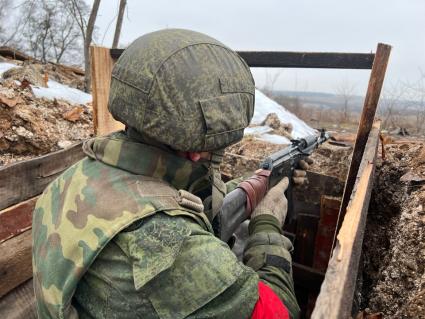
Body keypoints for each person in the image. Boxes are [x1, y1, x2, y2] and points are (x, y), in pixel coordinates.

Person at [32, 29, 304, 319]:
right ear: (196, 152)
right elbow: (279, 312)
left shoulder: (76, 178)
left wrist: (257, 184)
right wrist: (266, 225)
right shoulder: (170, 244)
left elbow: (174, 196)